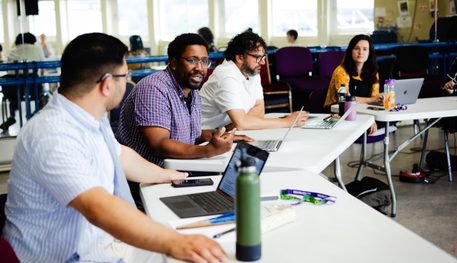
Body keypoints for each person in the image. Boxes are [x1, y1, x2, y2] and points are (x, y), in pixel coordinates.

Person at [2, 32, 226, 263]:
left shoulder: (89, 117)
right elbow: (99, 208)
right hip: (67, 256)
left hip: (99, 244)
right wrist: (175, 242)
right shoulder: (52, 134)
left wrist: (172, 175)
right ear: (108, 84)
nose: (127, 81)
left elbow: (121, 156)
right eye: (125, 75)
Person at [116, 33, 236, 207]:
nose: (200, 68)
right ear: (173, 63)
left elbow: (189, 133)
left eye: (204, 61)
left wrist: (216, 137)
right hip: (148, 180)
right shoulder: (154, 88)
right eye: (192, 60)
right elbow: (159, 145)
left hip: (179, 169)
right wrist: (208, 150)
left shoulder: (192, 91)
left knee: (232, 190)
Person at [200, 32, 308, 131]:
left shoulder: (252, 71)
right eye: (258, 57)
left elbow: (259, 108)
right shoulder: (226, 76)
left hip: (229, 132)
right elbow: (242, 124)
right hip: (205, 138)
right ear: (240, 57)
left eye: (263, 57)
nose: (262, 62)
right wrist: (287, 121)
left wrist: (241, 123)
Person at [323, 34, 382, 134]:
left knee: (388, 121)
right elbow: (346, 100)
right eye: (356, 48)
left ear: (369, 53)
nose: (360, 52)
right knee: (362, 125)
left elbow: (374, 99)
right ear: (350, 51)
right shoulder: (341, 71)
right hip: (337, 113)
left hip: (362, 111)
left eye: (365, 49)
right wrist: (372, 102)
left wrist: (371, 117)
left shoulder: (373, 72)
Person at [0, 32, 45, 132]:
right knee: (42, 94)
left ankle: (12, 115)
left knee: (13, 90)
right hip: (32, 85)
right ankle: (35, 113)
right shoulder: (37, 49)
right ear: (33, 40)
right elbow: (42, 68)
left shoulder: (12, 51)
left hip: (13, 87)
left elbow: (9, 69)